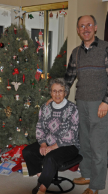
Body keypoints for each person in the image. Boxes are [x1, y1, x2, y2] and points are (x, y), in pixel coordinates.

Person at [47, 15, 108, 194]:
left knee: (98, 146)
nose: (85, 28)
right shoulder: (76, 52)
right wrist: (57, 95)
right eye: (81, 26)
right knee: (84, 142)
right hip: (80, 103)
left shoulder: (105, 48)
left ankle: (96, 186)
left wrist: (106, 102)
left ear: (95, 27)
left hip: (100, 105)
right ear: (78, 30)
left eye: (89, 25)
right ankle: (87, 174)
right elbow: (69, 78)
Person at [22, 78, 80, 194]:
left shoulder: (73, 109)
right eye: (54, 91)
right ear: (50, 92)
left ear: (66, 93)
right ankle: (42, 178)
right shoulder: (45, 107)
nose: (57, 94)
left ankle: (42, 189)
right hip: (48, 142)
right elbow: (40, 128)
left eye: (60, 91)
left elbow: (71, 134)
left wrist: (52, 147)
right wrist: (43, 144)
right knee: (28, 151)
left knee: (50, 157)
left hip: (69, 145)